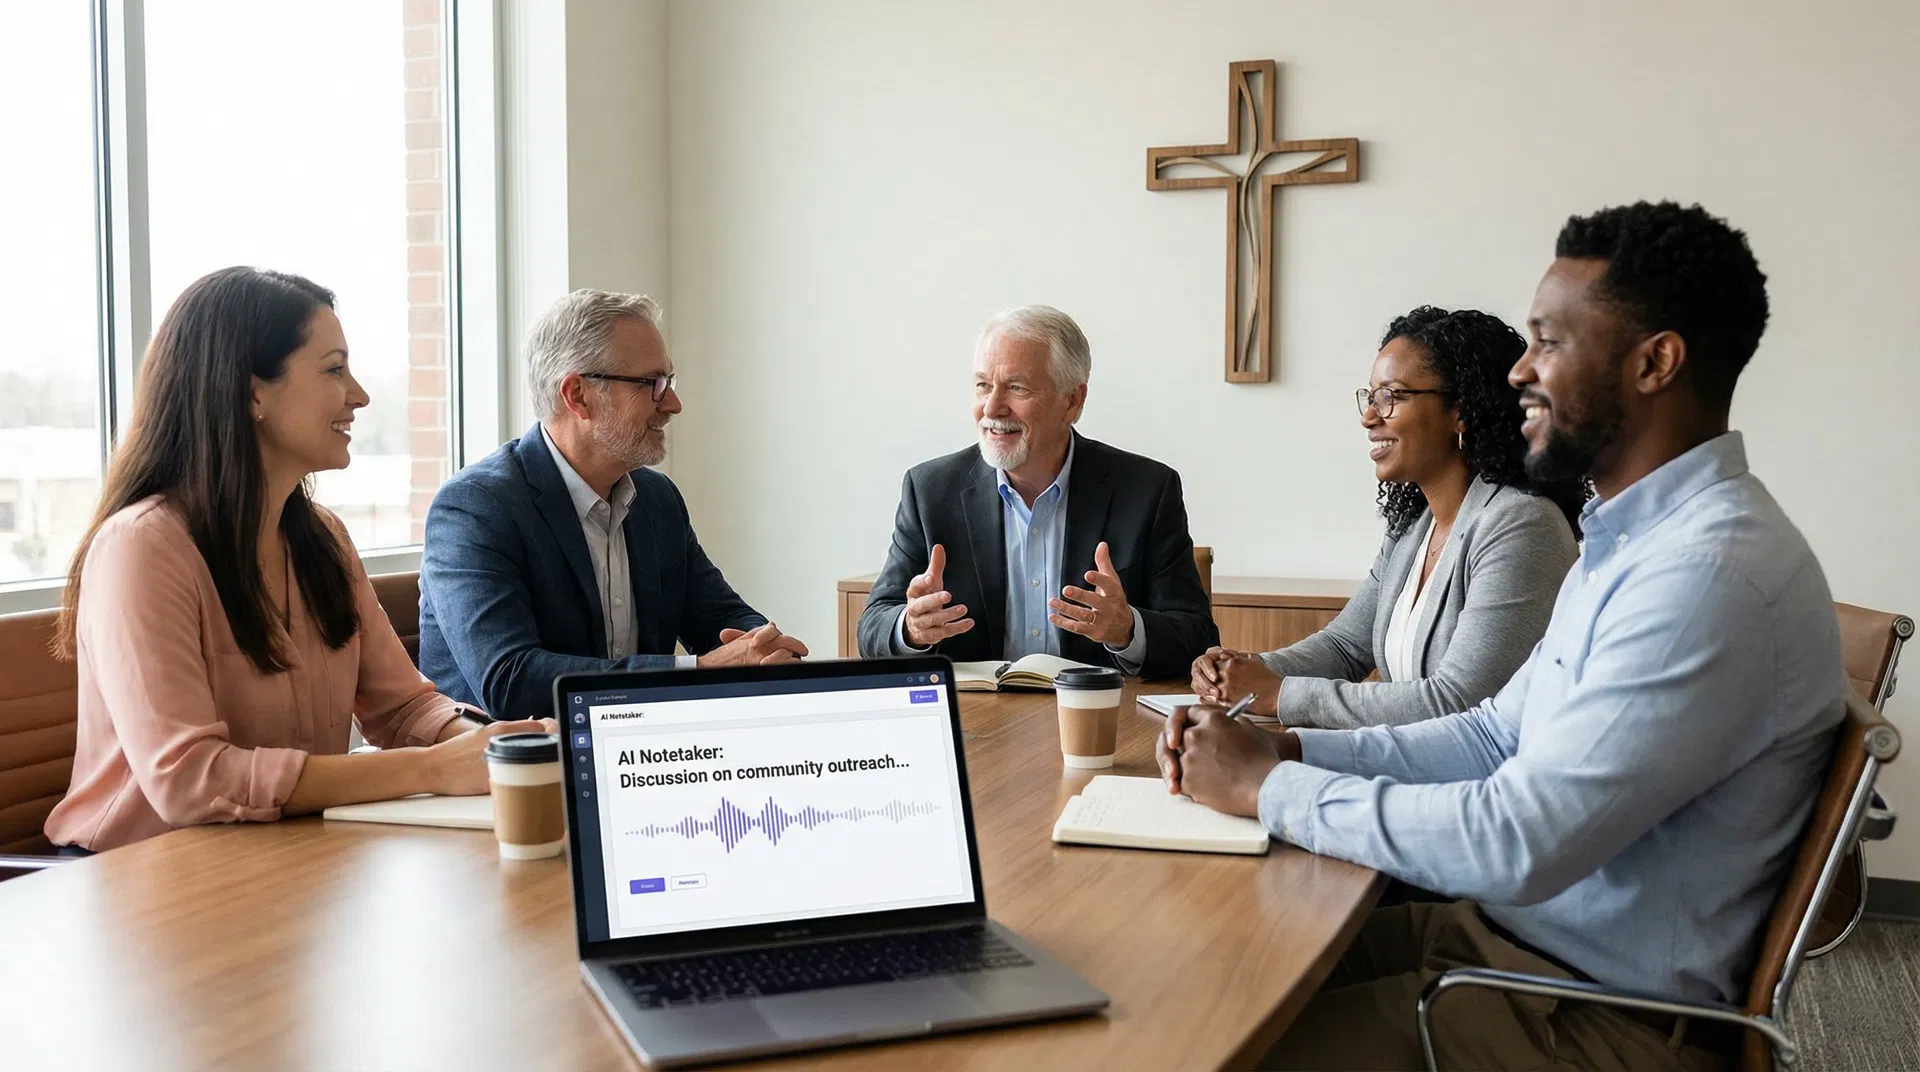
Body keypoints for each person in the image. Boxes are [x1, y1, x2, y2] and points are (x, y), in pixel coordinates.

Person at [1158, 202, 1844, 1071]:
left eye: (1549, 342)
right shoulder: (1630, 540)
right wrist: (1290, 748)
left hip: (1587, 1016)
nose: (1519, 370)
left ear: (1654, 363)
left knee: (1218, 1048)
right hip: (1503, 949)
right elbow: (1492, 733)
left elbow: (1518, 841)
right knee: (1205, 974)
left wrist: (1269, 789)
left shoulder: (1706, 575)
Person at [44, 267, 547, 854]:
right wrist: (432, 769)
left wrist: (491, 748)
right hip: (140, 878)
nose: (358, 395)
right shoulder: (141, 546)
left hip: (281, 859)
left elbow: (403, 707)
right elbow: (188, 780)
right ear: (251, 391)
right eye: (334, 369)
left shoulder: (323, 539)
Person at [419, 290, 805, 722]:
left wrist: (761, 647)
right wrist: (697, 671)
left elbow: (718, 615)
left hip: (638, 760)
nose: (673, 404)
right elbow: (511, 682)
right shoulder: (474, 507)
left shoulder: (657, 500)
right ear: (578, 395)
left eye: (670, 384)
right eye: (652, 385)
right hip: (508, 775)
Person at [1190, 307, 1583, 728]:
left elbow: (1459, 702)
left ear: (1462, 410)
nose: (1369, 417)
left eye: (1391, 396)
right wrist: (1243, 668)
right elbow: (1344, 647)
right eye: (1371, 396)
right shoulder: (1413, 528)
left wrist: (1280, 693)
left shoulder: (1521, 526)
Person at [856, 305, 1216, 678]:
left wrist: (1127, 630)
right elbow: (872, 629)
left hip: (1098, 722)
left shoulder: (1146, 491)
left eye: (1016, 387)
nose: (992, 408)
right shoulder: (930, 490)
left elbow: (1197, 639)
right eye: (983, 385)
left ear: (1073, 401)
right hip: (979, 725)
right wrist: (911, 628)